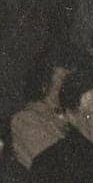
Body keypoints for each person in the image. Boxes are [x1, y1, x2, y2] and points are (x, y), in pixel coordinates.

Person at [8, 41, 86, 169]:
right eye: (64, 79)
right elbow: (59, 168)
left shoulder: (75, 117)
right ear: (44, 82)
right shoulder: (25, 120)